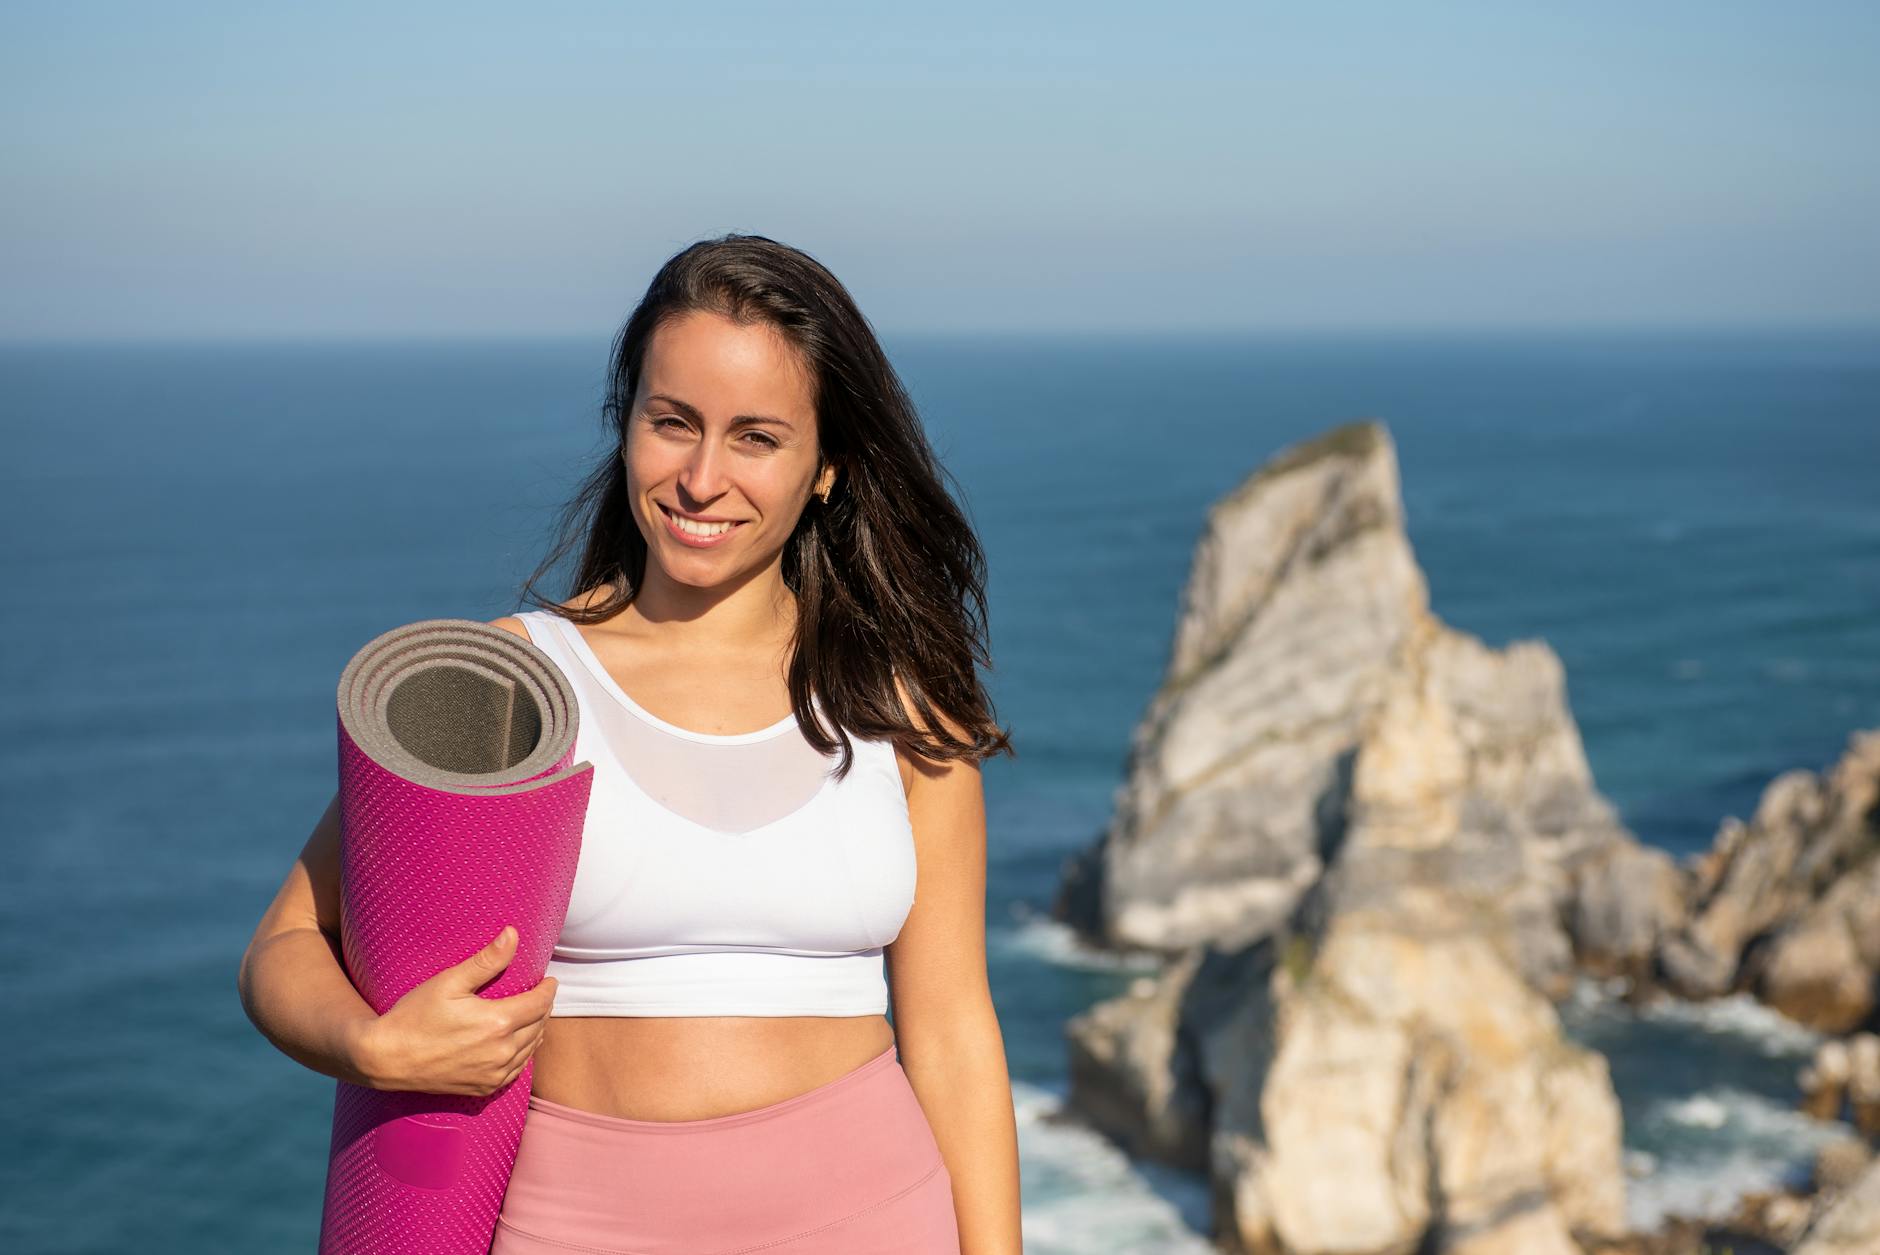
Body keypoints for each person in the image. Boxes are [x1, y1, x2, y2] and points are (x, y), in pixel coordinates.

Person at [237, 233, 1022, 1253]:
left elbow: (954, 1031)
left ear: (825, 468)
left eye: (755, 437)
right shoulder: (516, 683)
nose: (701, 477)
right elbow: (281, 950)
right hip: (575, 1226)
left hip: (875, 1215)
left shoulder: (900, 709)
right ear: (627, 427)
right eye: (673, 423)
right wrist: (373, 1045)